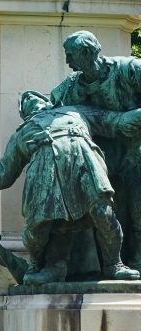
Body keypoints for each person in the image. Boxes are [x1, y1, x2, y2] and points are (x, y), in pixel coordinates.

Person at [0, 90, 141, 285]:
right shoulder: (22, 133)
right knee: (37, 232)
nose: (28, 99)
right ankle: (48, 267)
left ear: (47, 101)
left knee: (104, 214)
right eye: (24, 102)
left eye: (33, 96)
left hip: (85, 166)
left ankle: (113, 265)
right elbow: (2, 172)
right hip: (45, 179)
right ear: (24, 113)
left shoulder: (75, 112)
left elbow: (114, 120)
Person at [50, 31, 141, 269]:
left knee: (139, 211)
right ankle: (111, 266)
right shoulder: (72, 87)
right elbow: (50, 109)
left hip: (135, 153)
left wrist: (131, 118)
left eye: (71, 56)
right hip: (101, 161)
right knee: (106, 217)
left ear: (87, 52)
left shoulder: (129, 69)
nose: (68, 62)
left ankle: (138, 263)